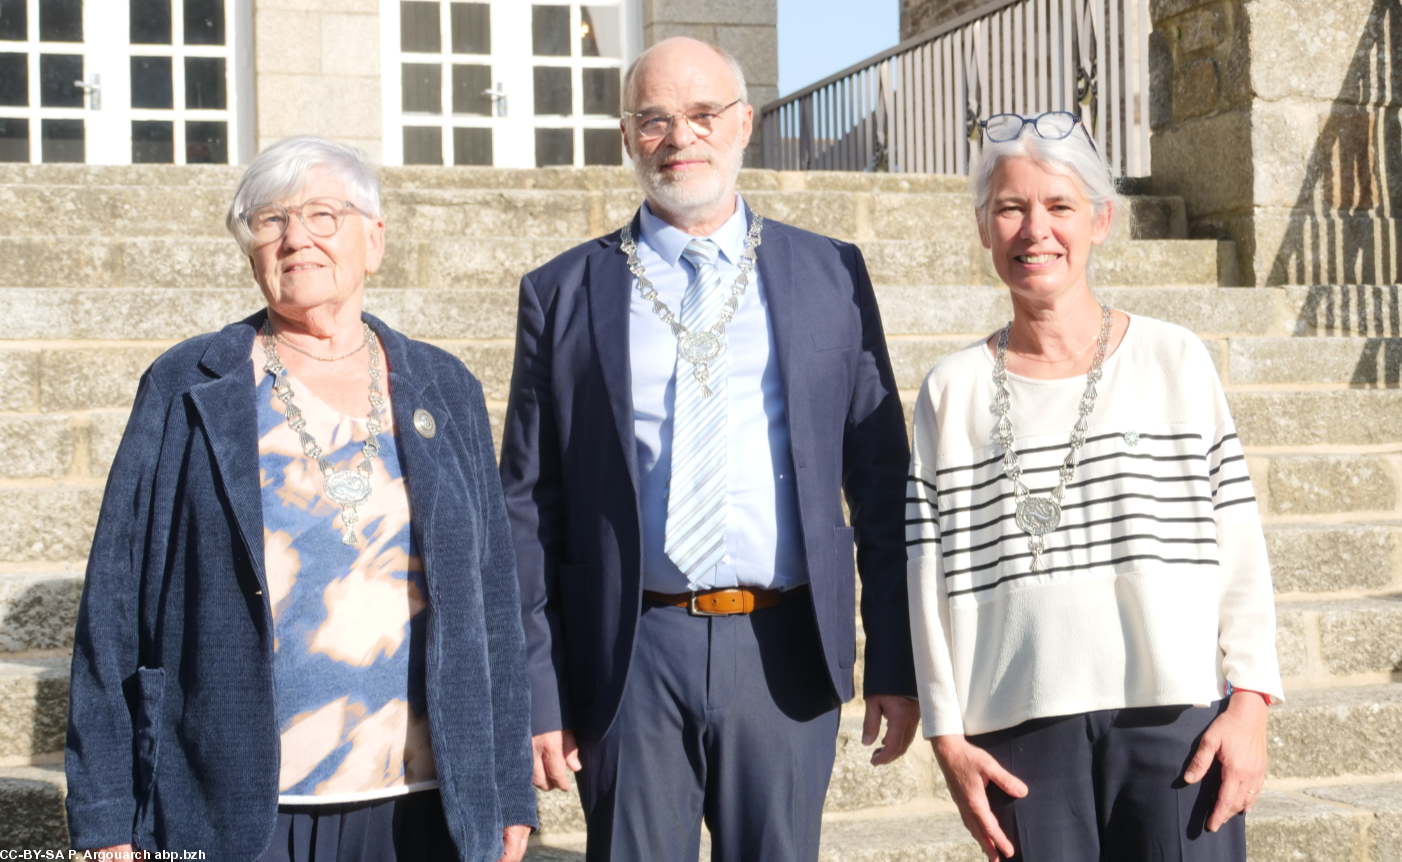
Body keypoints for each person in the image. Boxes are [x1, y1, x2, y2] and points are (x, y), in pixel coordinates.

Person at [500, 37, 920, 862]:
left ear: (745, 124)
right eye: (653, 120)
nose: (679, 138)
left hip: (783, 650)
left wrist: (897, 662)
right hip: (627, 655)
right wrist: (536, 695)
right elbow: (526, 506)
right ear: (627, 137)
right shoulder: (560, 293)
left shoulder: (830, 272)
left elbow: (879, 481)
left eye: (701, 115)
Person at [65, 135, 536, 862]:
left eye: (323, 215)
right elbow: (114, 604)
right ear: (250, 248)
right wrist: (105, 816)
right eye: (269, 220)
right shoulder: (187, 385)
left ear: (373, 240)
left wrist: (507, 788)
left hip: (421, 801)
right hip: (239, 804)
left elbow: (492, 604)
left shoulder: (446, 387)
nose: (296, 239)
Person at [905, 112, 1284, 862]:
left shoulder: (1175, 360)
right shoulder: (950, 391)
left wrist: (1251, 704)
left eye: (1059, 206)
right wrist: (947, 737)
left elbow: (1239, 543)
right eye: (1010, 208)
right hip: (1019, 735)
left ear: (1102, 220)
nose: (1034, 230)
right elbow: (924, 580)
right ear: (985, 228)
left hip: (1178, 724)